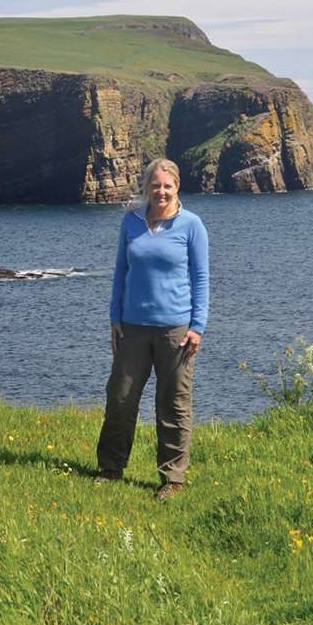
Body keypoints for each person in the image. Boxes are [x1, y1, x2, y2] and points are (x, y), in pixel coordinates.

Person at [96, 158, 209, 499]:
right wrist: (115, 318)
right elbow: (120, 272)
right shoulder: (130, 223)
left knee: (173, 403)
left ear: (177, 188)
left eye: (167, 186)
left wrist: (197, 326)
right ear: (146, 187)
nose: (161, 192)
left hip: (176, 330)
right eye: (155, 185)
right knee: (120, 397)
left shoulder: (191, 225)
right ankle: (111, 468)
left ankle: (172, 478)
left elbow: (201, 279)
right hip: (131, 328)